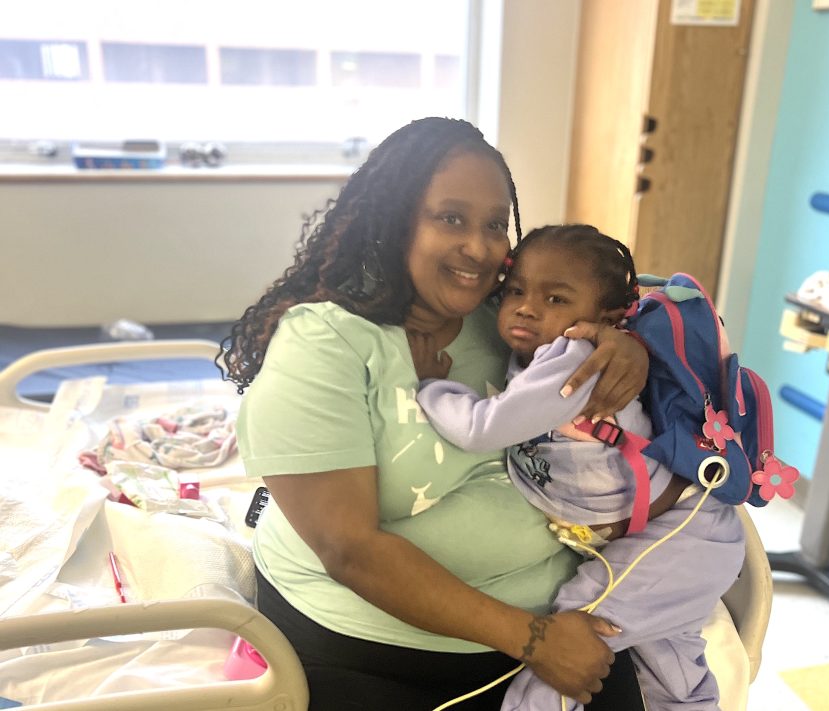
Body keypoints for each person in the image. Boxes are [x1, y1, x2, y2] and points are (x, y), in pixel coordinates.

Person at [218, 118, 651, 710]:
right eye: (451, 218)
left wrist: (629, 345)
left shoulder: (511, 316)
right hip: (375, 646)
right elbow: (350, 550)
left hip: (564, 617)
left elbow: (631, 292)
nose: (479, 247)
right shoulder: (325, 343)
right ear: (396, 223)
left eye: (496, 225)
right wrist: (534, 640)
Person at [412, 224, 746, 710]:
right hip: (659, 539)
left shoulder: (576, 359)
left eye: (556, 300)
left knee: (574, 628)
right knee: (673, 672)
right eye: (517, 292)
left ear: (604, 320)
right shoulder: (533, 354)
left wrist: (429, 385)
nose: (527, 307)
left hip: (683, 532)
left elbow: (482, 428)